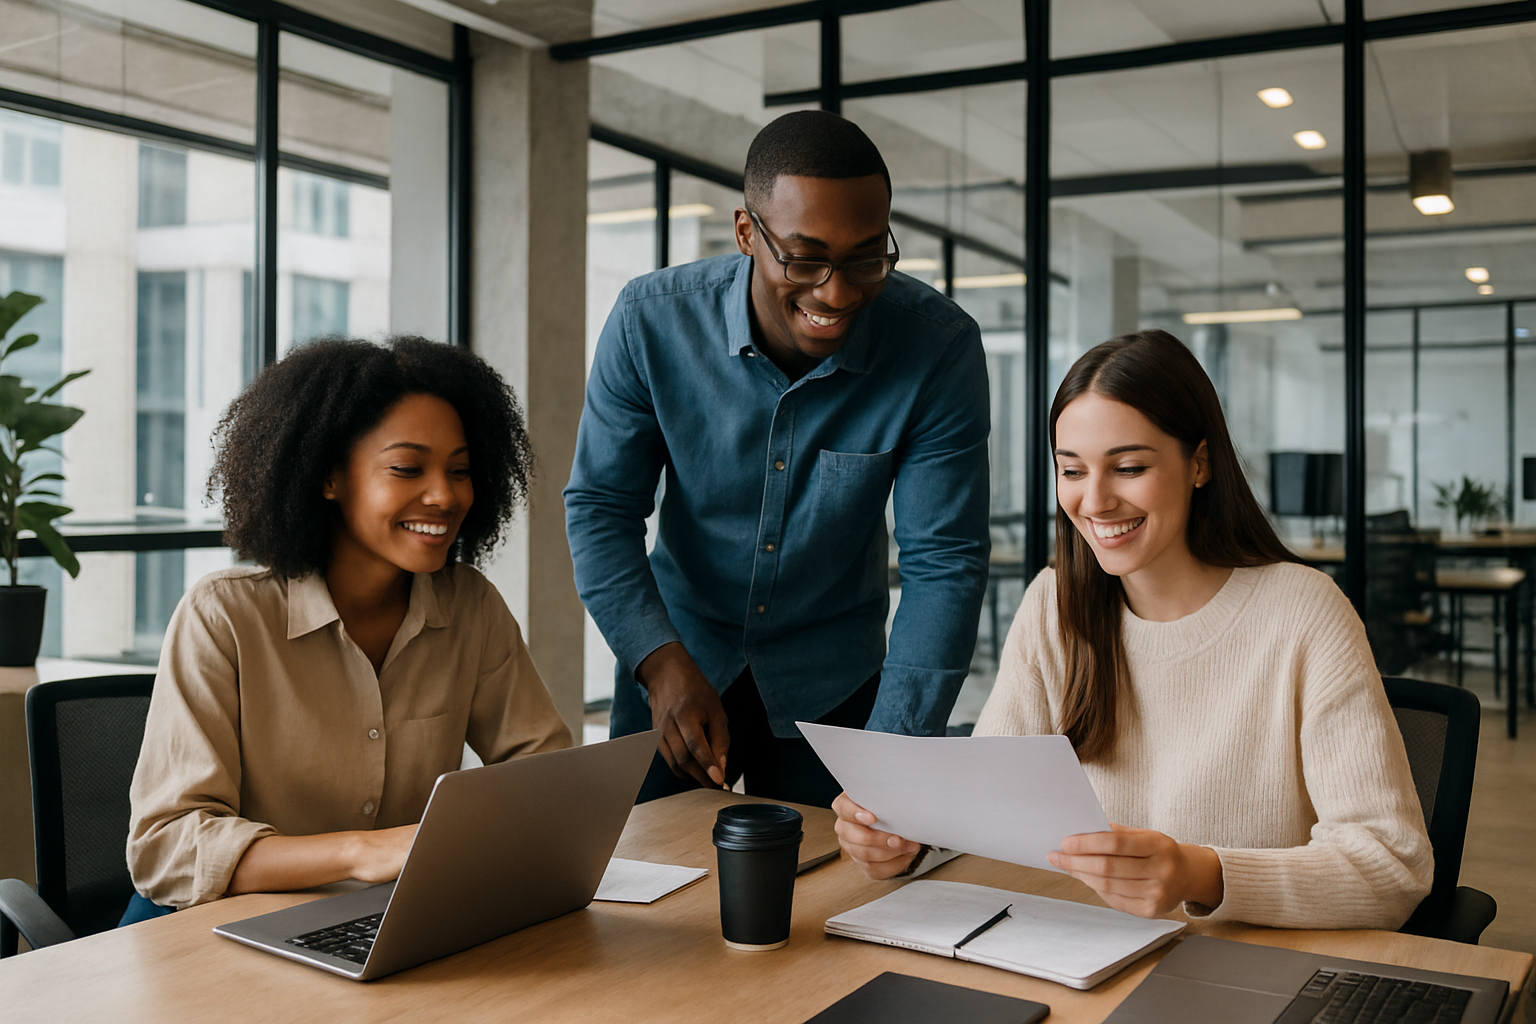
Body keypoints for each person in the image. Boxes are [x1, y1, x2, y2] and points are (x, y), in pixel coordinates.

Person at [833, 329, 1433, 930]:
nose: (1095, 501)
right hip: (1081, 959)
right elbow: (992, 810)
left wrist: (1201, 874)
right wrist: (908, 841)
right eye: (1072, 471)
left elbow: (1392, 867)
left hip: (1242, 972)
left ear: (1199, 463)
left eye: (1128, 467)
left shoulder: (1302, 613)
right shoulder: (1055, 605)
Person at [565, 110, 991, 807]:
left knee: (837, 903)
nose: (837, 291)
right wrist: (659, 662)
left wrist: (893, 756)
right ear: (746, 234)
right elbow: (601, 508)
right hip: (678, 660)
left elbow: (943, 562)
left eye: (866, 258)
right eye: (805, 257)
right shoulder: (650, 321)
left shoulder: (936, 349)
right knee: (636, 890)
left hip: (834, 681)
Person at [126, 337, 572, 915]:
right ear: (329, 477)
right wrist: (365, 853)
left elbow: (549, 781)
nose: (444, 495)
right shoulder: (223, 617)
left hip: (383, 918)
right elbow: (167, 848)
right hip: (209, 930)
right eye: (408, 468)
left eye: (459, 470)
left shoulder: (471, 609)